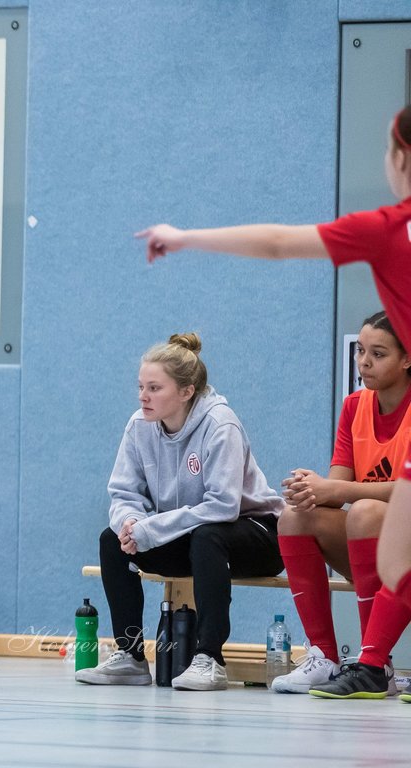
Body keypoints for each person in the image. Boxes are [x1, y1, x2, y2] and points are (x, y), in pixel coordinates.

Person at [135, 105, 411, 700]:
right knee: (385, 537)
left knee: (389, 532)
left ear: (399, 158)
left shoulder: (389, 226)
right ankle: (353, 660)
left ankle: (373, 661)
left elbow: (281, 243)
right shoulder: (357, 405)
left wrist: (185, 236)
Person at [77, 333, 285, 691]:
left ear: (186, 392)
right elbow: (123, 492)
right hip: (189, 538)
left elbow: (222, 506)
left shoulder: (221, 425)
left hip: (256, 535)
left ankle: (209, 659)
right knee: (113, 540)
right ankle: (130, 657)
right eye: (140, 386)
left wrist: (152, 529)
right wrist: (130, 523)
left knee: (209, 535)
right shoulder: (139, 426)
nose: (143, 396)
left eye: (155, 388)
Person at [272, 311, 411, 694]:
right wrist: (311, 489)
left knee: (364, 513)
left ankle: (373, 661)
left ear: (407, 358)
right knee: (296, 517)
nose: (364, 361)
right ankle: (324, 656)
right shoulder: (354, 406)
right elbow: (338, 484)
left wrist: (340, 492)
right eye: (361, 351)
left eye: (378, 354)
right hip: (380, 547)